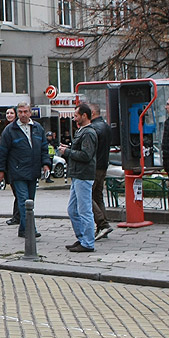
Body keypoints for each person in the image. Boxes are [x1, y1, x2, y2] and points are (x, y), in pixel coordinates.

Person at [0, 103, 50, 241]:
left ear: (30, 112)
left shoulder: (37, 128)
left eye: (25, 111)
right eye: (20, 112)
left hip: (33, 170)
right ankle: (31, 229)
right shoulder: (10, 130)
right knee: (24, 201)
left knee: (30, 201)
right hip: (17, 171)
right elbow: (2, 151)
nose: (23, 114)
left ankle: (23, 229)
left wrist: (46, 164)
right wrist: (0, 170)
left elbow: (44, 148)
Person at [59, 103, 98, 253]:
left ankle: (88, 242)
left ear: (84, 116)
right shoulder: (82, 131)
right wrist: (69, 149)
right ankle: (82, 238)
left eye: (76, 115)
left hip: (83, 175)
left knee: (84, 210)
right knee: (72, 210)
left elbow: (86, 155)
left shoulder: (88, 133)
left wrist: (67, 152)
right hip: (77, 174)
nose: (74, 118)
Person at [88, 103, 113, 241]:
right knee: (98, 196)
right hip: (103, 165)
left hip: (94, 166)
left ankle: (103, 224)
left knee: (87, 195)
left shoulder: (94, 128)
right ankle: (103, 226)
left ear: (92, 113)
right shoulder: (106, 126)